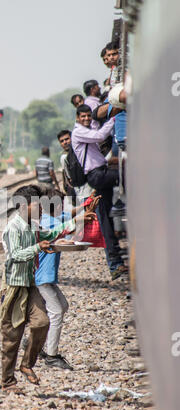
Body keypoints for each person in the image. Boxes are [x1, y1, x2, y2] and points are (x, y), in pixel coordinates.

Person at [0, 185, 78, 393]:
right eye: (38, 203)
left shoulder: (33, 225)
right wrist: (38, 247)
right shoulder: (13, 228)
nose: (43, 207)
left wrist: (78, 221)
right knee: (12, 335)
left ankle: (27, 364)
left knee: (42, 322)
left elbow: (50, 232)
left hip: (31, 284)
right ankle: (8, 381)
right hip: (15, 287)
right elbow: (15, 255)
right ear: (24, 206)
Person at [35, 188, 97, 370]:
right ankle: (51, 355)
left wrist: (85, 206)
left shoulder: (50, 217)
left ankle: (33, 342)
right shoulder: (50, 222)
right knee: (56, 312)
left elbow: (67, 218)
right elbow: (63, 227)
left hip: (46, 277)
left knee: (62, 306)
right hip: (42, 277)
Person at [72, 104, 127, 280]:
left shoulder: (87, 129)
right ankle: (125, 205)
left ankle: (115, 263)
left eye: (89, 116)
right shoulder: (79, 132)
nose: (87, 119)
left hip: (100, 173)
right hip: (97, 176)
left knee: (105, 221)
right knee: (125, 175)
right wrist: (113, 118)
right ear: (77, 118)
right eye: (83, 116)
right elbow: (100, 135)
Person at [57, 129, 93, 203]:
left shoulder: (79, 151)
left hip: (89, 188)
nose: (65, 142)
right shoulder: (64, 157)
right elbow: (68, 176)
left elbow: (68, 177)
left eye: (67, 139)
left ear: (72, 138)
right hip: (82, 191)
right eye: (62, 141)